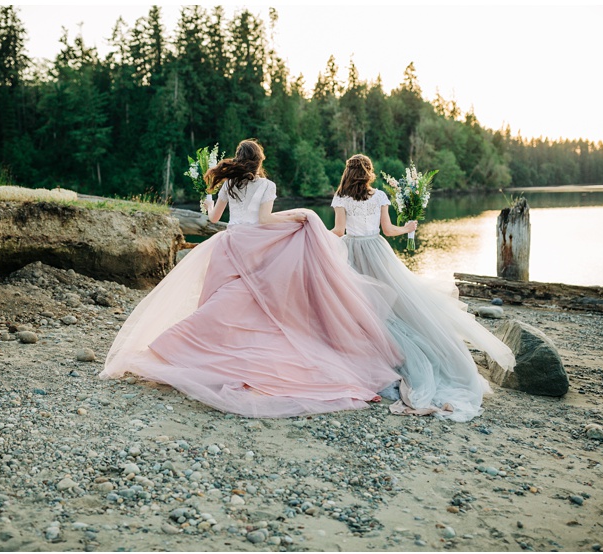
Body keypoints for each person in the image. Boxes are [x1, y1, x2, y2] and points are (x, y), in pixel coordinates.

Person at [101, 140, 403, 418]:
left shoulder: (229, 184)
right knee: (251, 300)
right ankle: (197, 346)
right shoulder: (266, 185)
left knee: (224, 299)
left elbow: (215, 219)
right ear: (259, 162)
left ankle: (181, 346)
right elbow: (266, 221)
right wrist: (298, 216)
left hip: (229, 245)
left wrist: (207, 203)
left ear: (239, 160)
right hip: (255, 247)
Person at [330, 154, 515, 421]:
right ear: (368, 172)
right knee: (391, 305)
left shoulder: (340, 198)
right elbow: (388, 230)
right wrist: (406, 228)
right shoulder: (380, 196)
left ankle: (367, 357)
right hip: (377, 251)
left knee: (359, 306)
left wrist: (313, 232)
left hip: (351, 251)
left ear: (347, 172)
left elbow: (337, 231)